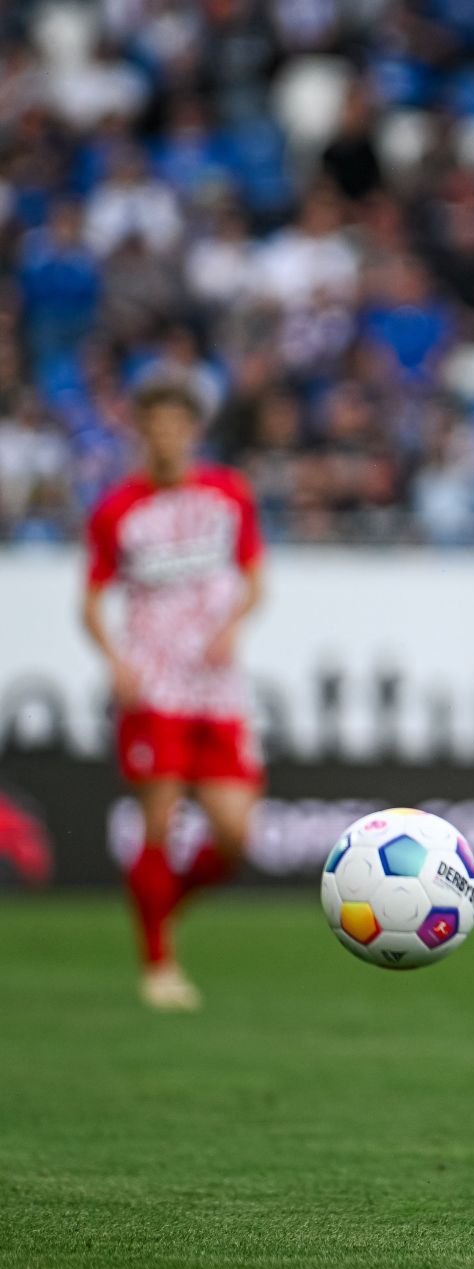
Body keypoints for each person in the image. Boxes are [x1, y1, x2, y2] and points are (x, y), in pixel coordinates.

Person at [83, 382, 266, 1012]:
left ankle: (162, 908)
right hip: (154, 682)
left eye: (175, 424)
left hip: (216, 688)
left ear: (192, 430)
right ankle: (158, 962)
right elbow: (91, 602)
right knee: (159, 821)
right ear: (140, 429)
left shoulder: (227, 495)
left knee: (237, 834)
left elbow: (254, 580)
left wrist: (233, 628)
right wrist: (115, 662)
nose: (164, 436)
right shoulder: (117, 508)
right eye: (153, 424)